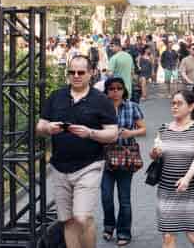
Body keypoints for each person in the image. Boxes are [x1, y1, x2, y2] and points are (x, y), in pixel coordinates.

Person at [36, 56, 119, 248]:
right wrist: (49, 129)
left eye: (81, 72)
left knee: (82, 217)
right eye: (72, 72)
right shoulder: (56, 96)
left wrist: (90, 133)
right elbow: (40, 126)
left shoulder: (101, 100)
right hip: (59, 166)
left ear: (90, 73)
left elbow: (113, 134)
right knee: (67, 220)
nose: (76, 76)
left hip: (89, 165)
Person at [151, 91, 194, 248]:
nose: (175, 106)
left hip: (189, 190)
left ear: (191, 107)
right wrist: (154, 153)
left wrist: (187, 178)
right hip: (166, 189)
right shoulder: (163, 128)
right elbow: (155, 156)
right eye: (173, 103)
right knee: (168, 237)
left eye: (179, 103)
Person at [101, 77, 146, 246]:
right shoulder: (101, 107)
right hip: (105, 158)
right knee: (106, 196)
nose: (115, 91)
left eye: (119, 88)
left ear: (124, 90)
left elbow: (143, 129)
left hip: (126, 157)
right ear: (107, 90)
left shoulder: (132, 106)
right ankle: (109, 225)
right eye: (111, 88)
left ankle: (124, 232)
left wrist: (130, 133)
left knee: (124, 198)